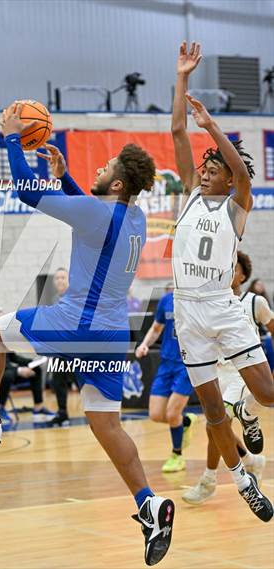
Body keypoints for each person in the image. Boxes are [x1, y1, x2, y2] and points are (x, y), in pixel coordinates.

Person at [0, 104, 175, 565]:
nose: (99, 170)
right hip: (112, 335)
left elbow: (27, 192)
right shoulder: (136, 218)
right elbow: (89, 216)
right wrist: (65, 179)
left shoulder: (96, 212)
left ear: (118, 185)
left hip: (77, 323)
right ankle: (148, 504)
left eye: (106, 167)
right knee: (106, 425)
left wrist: (11, 137)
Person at [171, 40, 273, 521]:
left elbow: (239, 172)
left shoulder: (237, 205)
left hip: (223, 306)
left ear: (229, 180)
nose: (207, 173)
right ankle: (242, 481)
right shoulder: (190, 195)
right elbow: (176, 130)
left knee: (267, 394)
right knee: (212, 413)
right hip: (187, 310)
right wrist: (181, 78)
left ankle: (249, 414)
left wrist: (211, 125)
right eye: (205, 168)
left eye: (215, 170)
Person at [183, 251, 273, 504]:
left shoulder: (254, 302)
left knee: (215, 424)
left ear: (243, 275)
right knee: (216, 426)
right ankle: (250, 460)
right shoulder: (212, 304)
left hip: (242, 373)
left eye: (233, 268)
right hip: (218, 371)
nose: (226, 272)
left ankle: (209, 480)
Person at [135, 284, 196, 473]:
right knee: (155, 414)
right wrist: (144, 344)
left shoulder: (198, 299)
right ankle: (186, 422)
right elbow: (156, 328)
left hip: (187, 365)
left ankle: (177, 455)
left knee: (171, 414)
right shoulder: (166, 300)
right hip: (166, 363)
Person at [48, 267, 75, 427]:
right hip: (58, 350)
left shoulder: (75, 299)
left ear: (68, 280)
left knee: (81, 380)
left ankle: (96, 413)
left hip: (75, 349)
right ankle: (62, 413)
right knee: (57, 381)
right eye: (57, 278)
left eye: (63, 277)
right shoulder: (53, 300)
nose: (60, 280)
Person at [0, 351, 54, 425]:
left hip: (9, 370)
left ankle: (38, 408)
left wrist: (32, 362)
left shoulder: (4, 345)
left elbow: (13, 358)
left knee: (36, 369)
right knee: (8, 375)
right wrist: (18, 370)